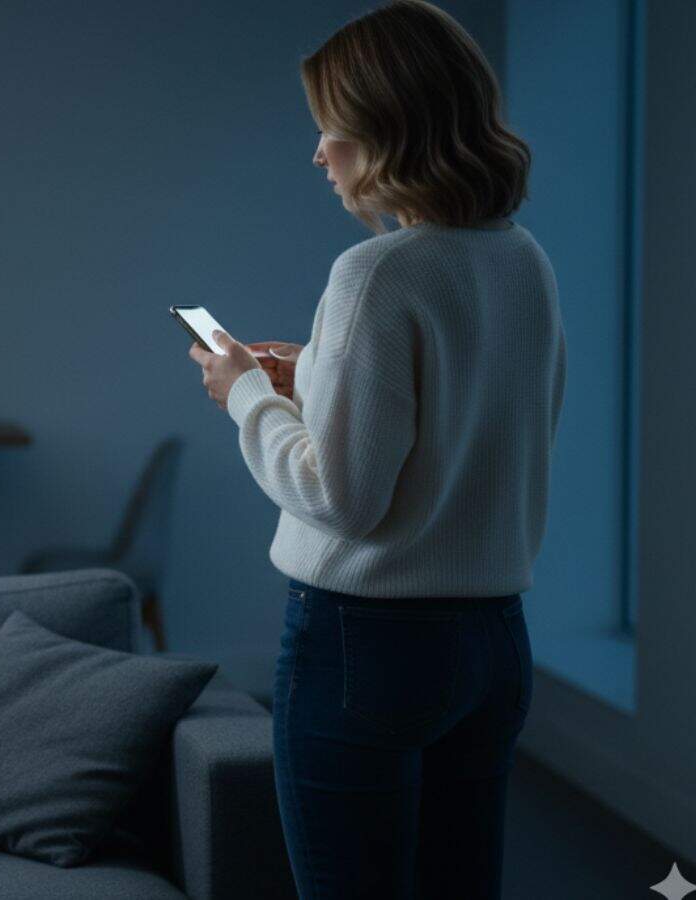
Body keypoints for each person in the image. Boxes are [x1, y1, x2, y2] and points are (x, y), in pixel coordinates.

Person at [185, 1, 565, 897]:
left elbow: (342, 498)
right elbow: (476, 427)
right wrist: (315, 373)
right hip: (494, 641)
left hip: (367, 645)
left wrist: (243, 394)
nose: (319, 152)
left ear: (389, 127)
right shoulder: (522, 260)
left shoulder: (378, 273)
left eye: (332, 127)